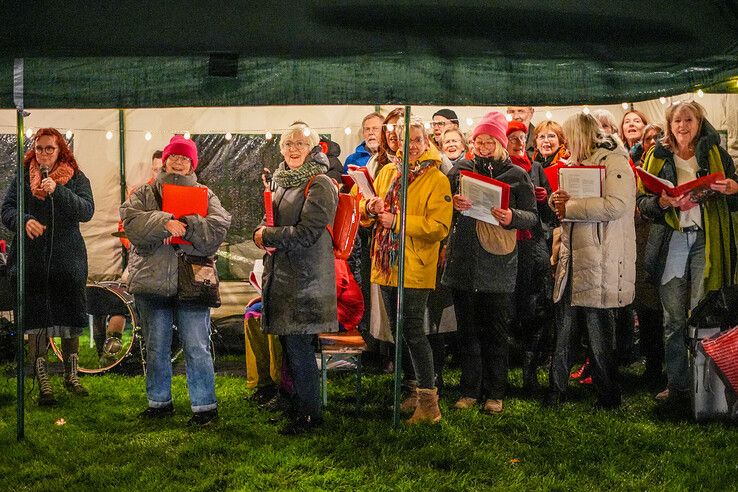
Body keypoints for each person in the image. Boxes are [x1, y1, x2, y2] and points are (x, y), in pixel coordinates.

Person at [121, 135, 231, 426]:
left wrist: (190, 225)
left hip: (192, 284)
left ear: (192, 163)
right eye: (174, 156)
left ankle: (204, 406)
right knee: (156, 346)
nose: (179, 162)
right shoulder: (143, 193)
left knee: (196, 345)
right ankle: (159, 402)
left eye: (185, 158)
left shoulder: (206, 194)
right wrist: (163, 222)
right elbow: (130, 223)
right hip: (152, 282)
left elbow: (219, 227)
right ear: (166, 159)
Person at [637, 101, 738, 404]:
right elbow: (643, 203)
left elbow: (733, 199)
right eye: (677, 121)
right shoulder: (656, 155)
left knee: (702, 314)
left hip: (707, 240)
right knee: (673, 318)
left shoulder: (716, 154)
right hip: (672, 239)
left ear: (699, 122)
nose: (683, 125)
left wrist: (733, 188)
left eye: (689, 120)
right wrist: (664, 203)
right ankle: (678, 385)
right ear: (669, 125)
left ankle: (704, 386)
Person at [443, 112, 538, 414]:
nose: (483, 147)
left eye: (489, 141)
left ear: (500, 143)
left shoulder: (515, 174)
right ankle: (470, 389)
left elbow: (532, 215)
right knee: (467, 329)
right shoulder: (460, 170)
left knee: (495, 329)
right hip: (464, 258)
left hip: (498, 259)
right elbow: (442, 204)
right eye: (478, 141)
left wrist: (512, 218)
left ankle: (495, 391)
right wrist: (453, 204)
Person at [362, 116, 452, 424]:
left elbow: (439, 227)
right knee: (400, 333)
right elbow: (364, 207)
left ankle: (429, 402)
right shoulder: (387, 172)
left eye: (416, 140)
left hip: (415, 266)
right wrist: (369, 209)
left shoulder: (437, 178)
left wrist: (397, 222)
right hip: (386, 266)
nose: (410, 146)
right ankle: (413, 393)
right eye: (405, 140)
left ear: (426, 142)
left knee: (414, 331)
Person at [546, 112, 636, 409]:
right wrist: (556, 201)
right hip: (574, 257)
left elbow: (617, 205)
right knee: (565, 329)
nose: (566, 142)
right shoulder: (576, 163)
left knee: (599, 332)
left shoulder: (614, 162)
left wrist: (569, 206)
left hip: (600, 256)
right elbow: (567, 202)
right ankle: (556, 390)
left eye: (569, 136)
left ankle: (608, 394)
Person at [253, 123, 338, 434]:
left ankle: (309, 415)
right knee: (291, 346)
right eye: (288, 144)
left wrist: (268, 234)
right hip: (284, 275)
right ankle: (296, 406)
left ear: (312, 148)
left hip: (307, 279)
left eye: (300, 143)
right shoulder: (281, 182)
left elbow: (308, 233)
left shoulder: (320, 183)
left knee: (300, 347)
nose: (293, 149)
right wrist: (259, 234)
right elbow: (268, 220)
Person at [1, 128, 94, 406]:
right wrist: (24, 219)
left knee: (71, 316)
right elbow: (6, 209)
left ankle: (71, 375)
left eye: (49, 149)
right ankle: (42, 380)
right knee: (36, 319)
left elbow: (86, 210)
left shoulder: (76, 177)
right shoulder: (23, 175)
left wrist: (59, 191)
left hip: (68, 261)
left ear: (60, 150)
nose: (43, 154)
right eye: (39, 148)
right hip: (32, 260)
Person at [506, 120, 556, 394]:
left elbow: (550, 215)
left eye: (521, 137)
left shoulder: (537, 169)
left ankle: (530, 369)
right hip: (509, 245)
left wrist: (544, 198)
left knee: (536, 306)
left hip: (534, 244)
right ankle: (507, 368)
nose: (517, 142)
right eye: (512, 137)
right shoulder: (499, 169)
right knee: (510, 308)